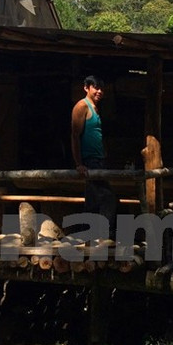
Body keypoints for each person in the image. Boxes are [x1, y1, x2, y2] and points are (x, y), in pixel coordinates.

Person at [71, 75, 116, 239]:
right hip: (90, 161)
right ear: (86, 88)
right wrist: (79, 163)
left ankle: (85, 236)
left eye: (101, 88)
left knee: (92, 201)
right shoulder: (81, 106)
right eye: (96, 87)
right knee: (108, 198)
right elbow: (75, 135)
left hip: (98, 159)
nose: (99, 91)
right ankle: (105, 235)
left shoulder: (95, 108)